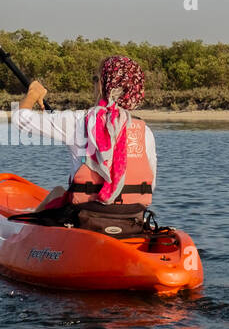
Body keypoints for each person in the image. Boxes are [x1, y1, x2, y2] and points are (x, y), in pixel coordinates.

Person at [14, 55, 157, 234]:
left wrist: (33, 94)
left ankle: (25, 238)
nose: (94, 84)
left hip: (87, 216)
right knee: (59, 193)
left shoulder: (78, 120)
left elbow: (20, 119)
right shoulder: (145, 132)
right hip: (131, 217)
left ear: (104, 85)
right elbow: (151, 185)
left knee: (58, 193)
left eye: (96, 79)